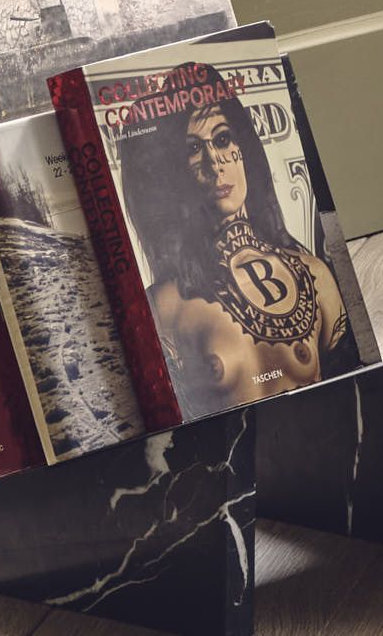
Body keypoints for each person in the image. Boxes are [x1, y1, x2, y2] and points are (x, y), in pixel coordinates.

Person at [122, 79, 355, 402]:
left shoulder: (314, 274)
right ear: (177, 171)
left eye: (222, 139)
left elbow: (356, 388)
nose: (214, 162)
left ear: (244, 148)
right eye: (192, 148)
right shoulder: (163, 307)